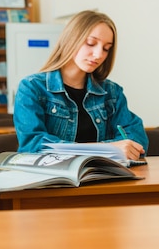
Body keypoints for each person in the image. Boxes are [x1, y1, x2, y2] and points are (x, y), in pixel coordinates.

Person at [14, 10, 148, 160]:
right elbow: (32, 145)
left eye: (106, 49)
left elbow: (137, 139)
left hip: (103, 178)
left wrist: (121, 147)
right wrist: (106, 149)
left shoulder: (112, 92)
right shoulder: (32, 88)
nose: (98, 55)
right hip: (54, 180)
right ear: (71, 39)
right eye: (91, 43)